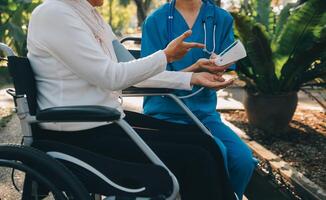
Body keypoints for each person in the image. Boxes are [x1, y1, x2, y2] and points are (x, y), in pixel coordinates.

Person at [26, 0, 237, 199]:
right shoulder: (54, 14)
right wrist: (166, 56)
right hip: (78, 134)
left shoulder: (91, 17)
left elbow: (135, 70)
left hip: (105, 123)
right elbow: (111, 77)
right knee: (196, 157)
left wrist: (190, 77)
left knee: (206, 143)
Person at [141, 0, 256, 199]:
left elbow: (227, 62)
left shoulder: (221, 18)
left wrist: (219, 66)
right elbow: (150, 78)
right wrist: (194, 71)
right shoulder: (155, 21)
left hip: (205, 115)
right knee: (216, 153)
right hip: (165, 114)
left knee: (242, 160)